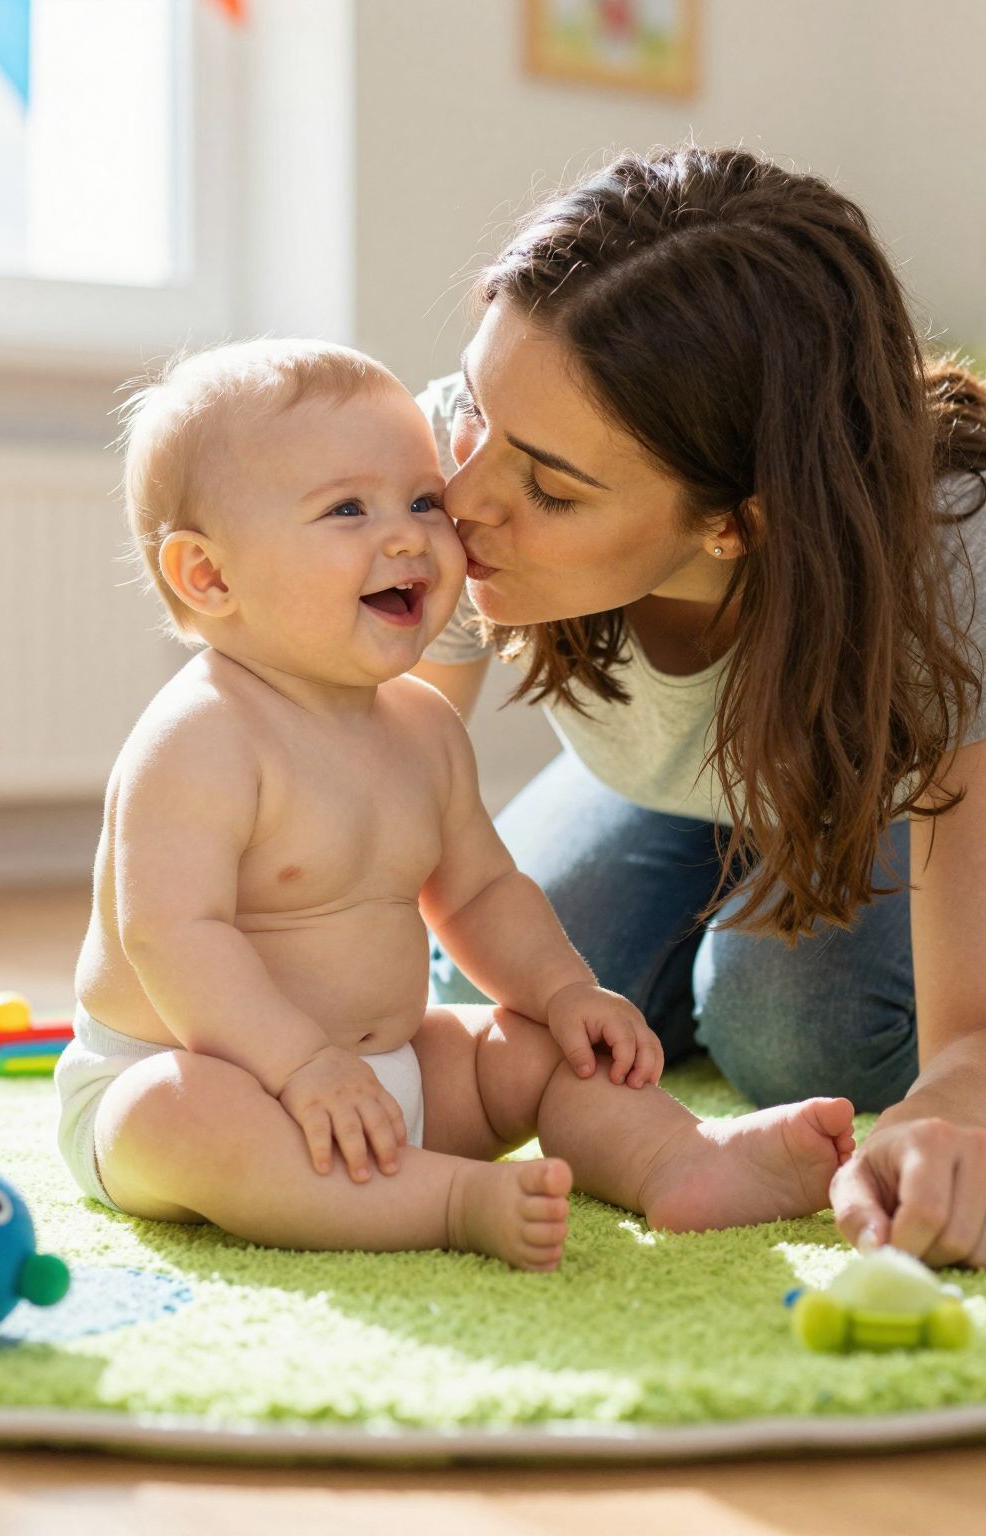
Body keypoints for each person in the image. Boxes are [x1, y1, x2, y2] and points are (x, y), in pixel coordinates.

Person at [411, 147, 986, 1271]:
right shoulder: (479, 441)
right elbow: (371, 804)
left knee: (791, 1025)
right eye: (471, 413)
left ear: (736, 523)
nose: (459, 498)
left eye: (548, 488)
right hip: (700, 798)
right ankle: (735, 930)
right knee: (492, 976)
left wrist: (940, 1132)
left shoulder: (956, 544)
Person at [53, 338, 857, 1272]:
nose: (407, 536)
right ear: (210, 576)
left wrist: (561, 992)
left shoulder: (422, 726)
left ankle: (676, 1158)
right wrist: (300, 1066)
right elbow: (173, 938)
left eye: (422, 500)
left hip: (392, 1077)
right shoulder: (199, 739)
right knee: (181, 1117)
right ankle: (443, 1203)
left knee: (536, 1050)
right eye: (348, 508)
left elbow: (479, 893)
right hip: (207, 1076)